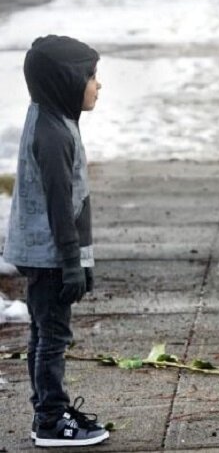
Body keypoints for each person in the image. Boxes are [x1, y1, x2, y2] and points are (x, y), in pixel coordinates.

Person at [3, 35, 110, 448]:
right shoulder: (53, 134)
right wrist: (70, 262)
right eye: (91, 76)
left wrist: (80, 260)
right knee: (52, 338)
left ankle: (49, 411)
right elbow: (59, 207)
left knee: (44, 334)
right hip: (49, 256)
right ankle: (50, 419)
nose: (98, 85)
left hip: (50, 253)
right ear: (66, 82)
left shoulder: (53, 118)